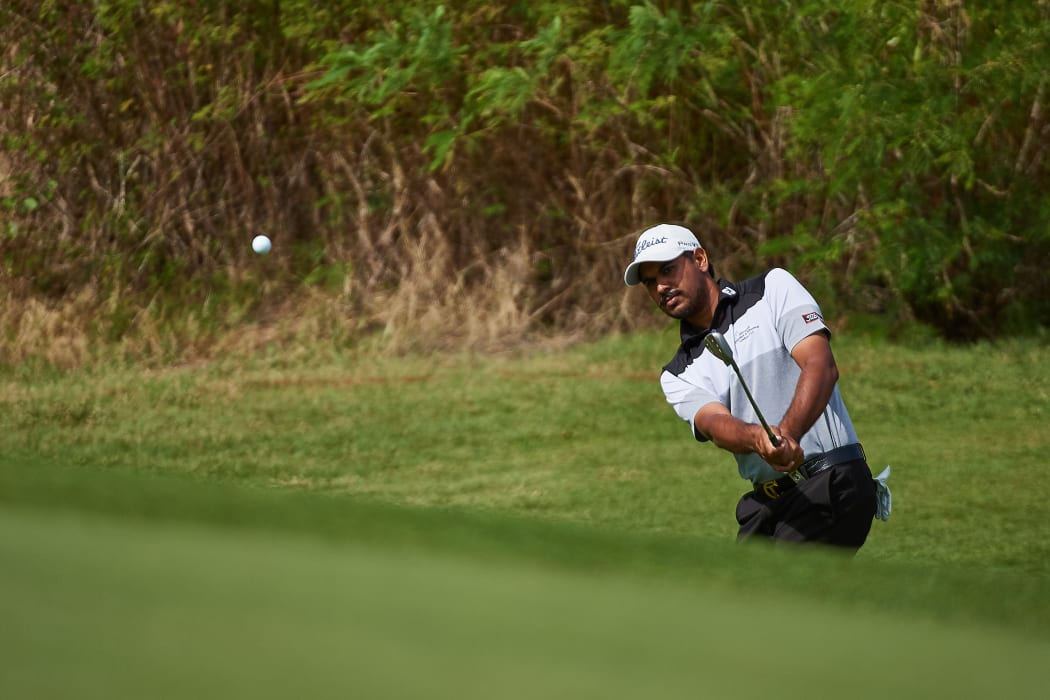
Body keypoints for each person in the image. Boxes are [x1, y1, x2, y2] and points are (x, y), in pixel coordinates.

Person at [624, 223, 887, 551]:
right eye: (651, 282)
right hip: (768, 506)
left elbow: (821, 365)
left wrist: (788, 434)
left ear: (700, 259)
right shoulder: (677, 373)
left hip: (829, 485)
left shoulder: (772, 289)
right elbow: (714, 425)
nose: (662, 286)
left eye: (668, 270)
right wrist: (757, 439)